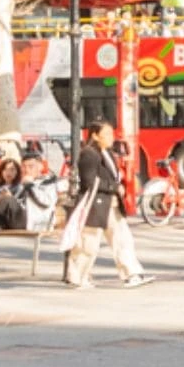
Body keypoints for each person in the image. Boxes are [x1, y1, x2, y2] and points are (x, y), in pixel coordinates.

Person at [66, 121, 153, 290]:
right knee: (89, 243)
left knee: (122, 239)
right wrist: (113, 186)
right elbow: (89, 181)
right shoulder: (89, 154)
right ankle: (77, 276)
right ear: (95, 135)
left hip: (111, 204)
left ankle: (132, 273)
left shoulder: (107, 153)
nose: (111, 137)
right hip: (95, 204)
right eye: (106, 134)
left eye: (111, 134)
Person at [0, 158, 57, 278]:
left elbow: (45, 202)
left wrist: (29, 185)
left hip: (31, 221)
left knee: (8, 200)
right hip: (11, 218)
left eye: (30, 166)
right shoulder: (19, 183)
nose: (27, 169)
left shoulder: (48, 182)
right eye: (24, 166)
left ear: (40, 167)